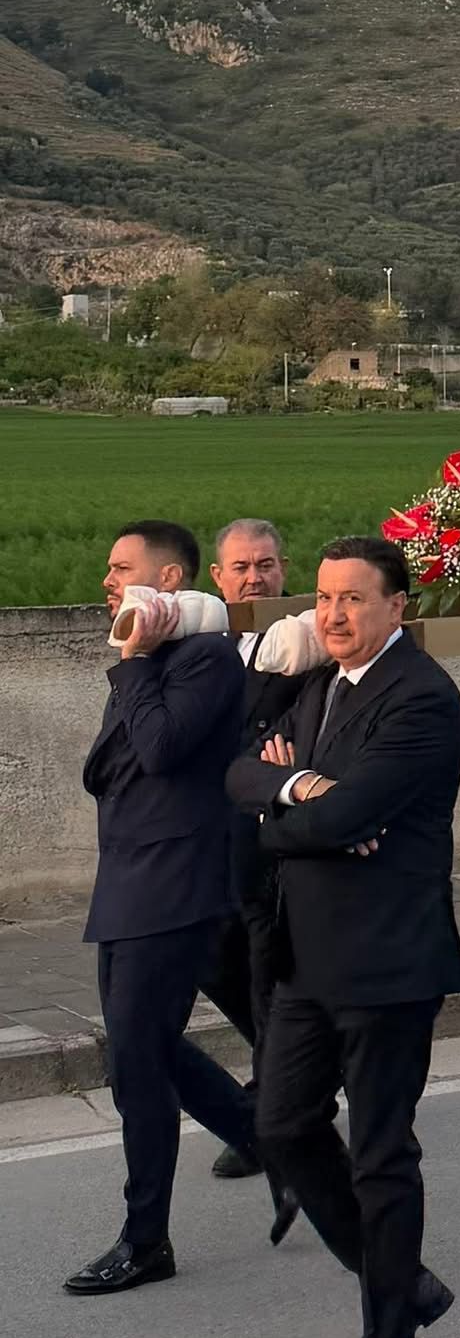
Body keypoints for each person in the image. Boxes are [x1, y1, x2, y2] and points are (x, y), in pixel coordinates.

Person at [228, 536, 460, 1338]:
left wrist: (291, 806)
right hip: (307, 957)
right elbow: (237, 772)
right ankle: (400, 1283)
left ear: (398, 607)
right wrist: (301, 794)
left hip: (386, 962)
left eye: (354, 599)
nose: (332, 615)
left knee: (379, 1157)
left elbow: (350, 813)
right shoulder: (319, 683)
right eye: (323, 599)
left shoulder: (423, 700)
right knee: (281, 1125)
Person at [65, 521, 263, 1295]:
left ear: (170, 579)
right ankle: (277, 1142)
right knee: (136, 1052)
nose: (108, 581)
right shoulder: (162, 663)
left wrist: (135, 664)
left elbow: (156, 750)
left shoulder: (204, 660)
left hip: (174, 881)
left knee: (138, 1064)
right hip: (129, 878)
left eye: (122, 568)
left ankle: (145, 1239)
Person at [201, 518, 309, 1186]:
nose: (253, 577)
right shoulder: (201, 645)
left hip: (274, 838)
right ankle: (297, 1070)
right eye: (240, 567)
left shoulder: (303, 638)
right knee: (212, 958)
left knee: (272, 970)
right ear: (218, 578)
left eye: (265, 564)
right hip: (211, 837)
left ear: (283, 568)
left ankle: (272, 1112)